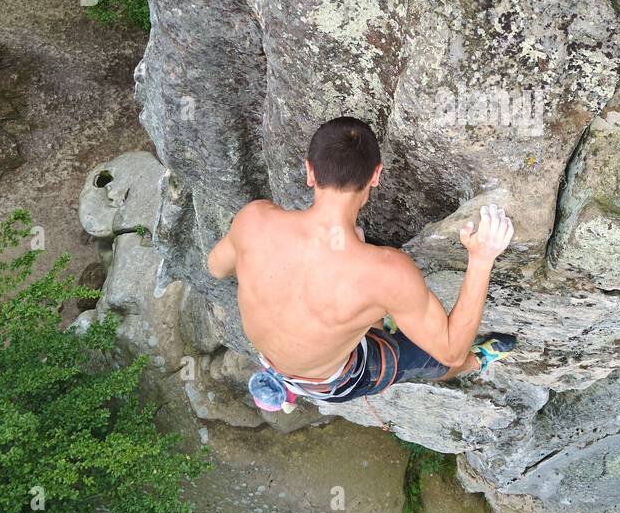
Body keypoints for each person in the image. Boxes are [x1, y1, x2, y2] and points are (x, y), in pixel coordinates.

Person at [206, 116, 515, 412]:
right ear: (376, 175)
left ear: (310, 171)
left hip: (278, 354)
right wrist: (481, 258)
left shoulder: (253, 220)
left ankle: (290, 382)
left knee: (366, 302)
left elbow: (216, 268)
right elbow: (450, 349)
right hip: (334, 379)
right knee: (435, 362)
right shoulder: (387, 274)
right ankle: (478, 362)